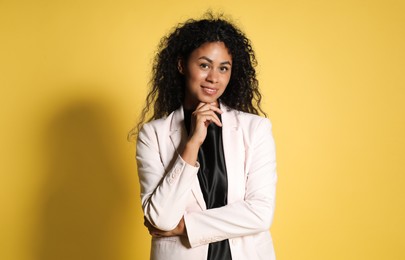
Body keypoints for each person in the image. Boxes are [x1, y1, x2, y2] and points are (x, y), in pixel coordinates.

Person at [133, 13, 277, 260]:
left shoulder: (255, 129)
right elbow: (160, 219)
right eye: (204, 65)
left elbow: (260, 213)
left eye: (223, 68)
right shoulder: (153, 135)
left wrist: (185, 227)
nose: (214, 77)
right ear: (181, 65)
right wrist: (192, 143)